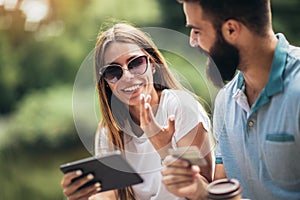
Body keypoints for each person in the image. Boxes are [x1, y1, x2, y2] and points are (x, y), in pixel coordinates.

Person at [162, 0, 300, 199]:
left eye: (197, 31)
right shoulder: (225, 101)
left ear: (232, 30)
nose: (192, 41)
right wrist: (199, 191)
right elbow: (221, 190)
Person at [61, 23, 213, 200]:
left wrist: (164, 148)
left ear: (153, 64)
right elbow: (110, 196)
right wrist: (84, 196)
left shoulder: (181, 107)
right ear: (106, 82)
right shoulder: (108, 132)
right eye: (113, 71)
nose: (127, 76)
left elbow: (204, 190)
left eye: (136, 63)